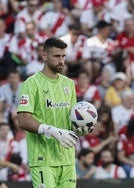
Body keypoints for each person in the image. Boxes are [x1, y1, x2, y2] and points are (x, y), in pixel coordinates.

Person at [17, 37, 83, 188]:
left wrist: (83, 127)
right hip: (43, 160)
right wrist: (51, 131)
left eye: (63, 56)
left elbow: (72, 119)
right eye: (56, 56)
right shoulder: (31, 84)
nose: (61, 60)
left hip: (67, 160)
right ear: (44, 56)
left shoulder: (69, 84)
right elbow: (23, 120)